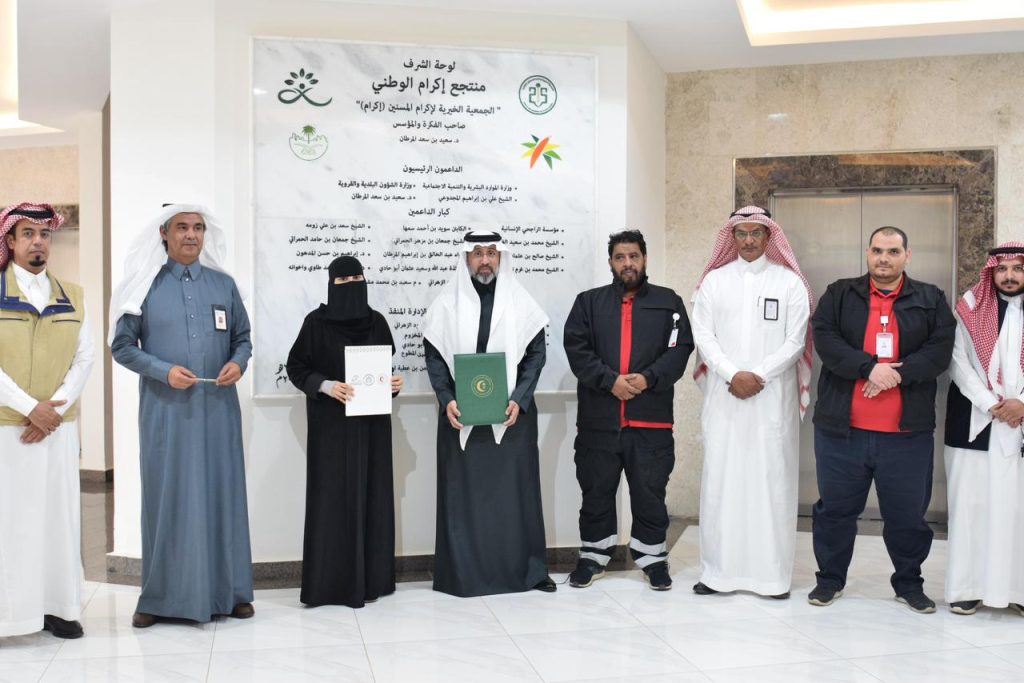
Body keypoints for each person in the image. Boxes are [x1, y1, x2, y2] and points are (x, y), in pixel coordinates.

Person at [110, 204, 254, 627]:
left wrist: (238, 363)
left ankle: (232, 592)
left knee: (222, 494)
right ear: (164, 233)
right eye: (182, 227)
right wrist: (163, 371)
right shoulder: (143, 287)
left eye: (198, 228)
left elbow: (243, 338)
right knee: (168, 498)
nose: (191, 235)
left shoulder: (223, 285)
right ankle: (159, 598)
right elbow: (122, 347)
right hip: (166, 412)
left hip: (219, 411)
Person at [809, 225, 955, 613]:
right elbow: (825, 339)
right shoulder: (840, 294)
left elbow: (940, 350)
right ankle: (829, 580)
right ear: (867, 253)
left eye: (893, 251)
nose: (884, 258)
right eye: (877, 250)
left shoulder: (930, 298)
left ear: (908, 255)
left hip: (906, 434)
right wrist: (869, 368)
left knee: (907, 516)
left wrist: (897, 375)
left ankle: (909, 583)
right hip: (842, 431)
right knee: (835, 511)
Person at [422, 230, 554, 596]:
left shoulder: (521, 302)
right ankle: (463, 577)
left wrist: (519, 399)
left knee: (516, 498)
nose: (485, 260)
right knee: (465, 501)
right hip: (460, 417)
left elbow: (536, 356)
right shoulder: (445, 305)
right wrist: (446, 398)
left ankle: (526, 574)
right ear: (466, 258)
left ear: (501, 258)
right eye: (477, 253)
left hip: (512, 417)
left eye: (491, 253)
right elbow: (435, 359)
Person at [690, 206, 812, 599]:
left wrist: (756, 374)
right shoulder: (714, 282)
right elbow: (703, 336)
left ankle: (771, 578)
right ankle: (717, 573)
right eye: (740, 233)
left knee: (770, 482)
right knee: (721, 483)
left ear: (769, 236)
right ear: (731, 237)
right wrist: (732, 374)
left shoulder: (789, 283)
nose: (747, 241)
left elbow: (795, 342)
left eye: (755, 233)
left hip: (771, 399)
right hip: (725, 398)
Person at [563, 229, 693, 591]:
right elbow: (577, 350)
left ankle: (653, 559)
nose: (627, 263)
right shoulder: (588, 303)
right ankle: (593, 556)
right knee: (596, 492)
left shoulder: (669, 302)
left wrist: (648, 378)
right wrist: (610, 381)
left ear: (645, 259)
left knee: (650, 493)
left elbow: (680, 349)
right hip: (599, 422)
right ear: (610, 262)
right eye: (620, 257)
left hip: (650, 422)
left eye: (634, 256)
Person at [286, 255, 403, 608]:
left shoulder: (377, 322)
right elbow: (296, 367)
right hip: (331, 430)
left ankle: (373, 580)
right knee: (333, 502)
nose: (352, 285)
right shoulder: (316, 323)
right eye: (343, 280)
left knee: (372, 498)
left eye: (357, 278)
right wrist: (326, 385)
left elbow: (382, 372)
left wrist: (393, 385)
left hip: (372, 428)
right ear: (330, 284)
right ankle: (331, 585)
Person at [0, 203, 94, 639]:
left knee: (58, 518)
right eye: (28, 234)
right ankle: (9, 615)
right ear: (10, 240)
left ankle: (58, 608)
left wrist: (51, 410)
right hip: (8, 428)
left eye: (44, 235)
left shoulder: (73, 295)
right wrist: (28, 408)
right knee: (11, 521)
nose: (38, 242)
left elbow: (85, 358)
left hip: (57, 428)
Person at [943, 242, 1024, 616]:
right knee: (971, 507)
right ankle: (967, 587)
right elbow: (958, 362)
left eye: (1018, 268)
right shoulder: (971, 306)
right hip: (975, 423)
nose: (1009, 276)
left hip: (1019, 423)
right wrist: (991, 403)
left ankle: (1018, 589)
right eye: (1002, 269)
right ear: (991, 272)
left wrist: (1021, 404)